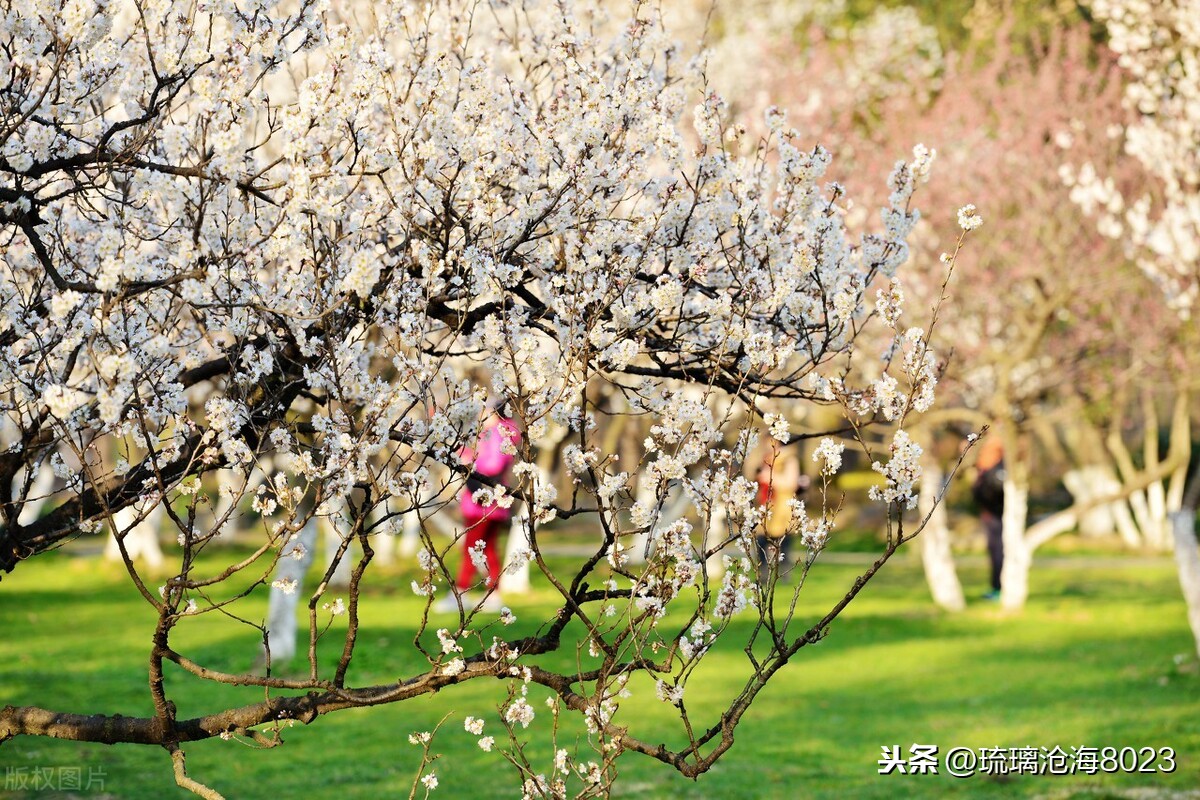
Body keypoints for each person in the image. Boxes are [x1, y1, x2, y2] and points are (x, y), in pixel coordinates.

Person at [437, 402, 520, 613]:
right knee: (488, 547)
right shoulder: (498, 434)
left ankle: (460, 591)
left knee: (471, 547)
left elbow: (492, 464)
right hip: (495, 502)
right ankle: (494, 592)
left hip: (482, 501)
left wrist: (469, 462)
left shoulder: (497, 434)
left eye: (487, 410)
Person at [754, 437, 808, 583]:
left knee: (783, 543)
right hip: (767, 505)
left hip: (783, 506)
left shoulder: (789, 459)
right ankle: (762, 575)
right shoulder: (767, 459)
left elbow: (791, 483)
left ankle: (783, 575)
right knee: (761, 541)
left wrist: (770, 477)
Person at [972, 437, 1006, 600]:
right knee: (994, 552)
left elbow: (997, 494)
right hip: (990, 515)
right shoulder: (987, 471)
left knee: (999, 552)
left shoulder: (998, 471)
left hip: (997, 517)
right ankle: (995, 586)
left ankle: (999, 587)